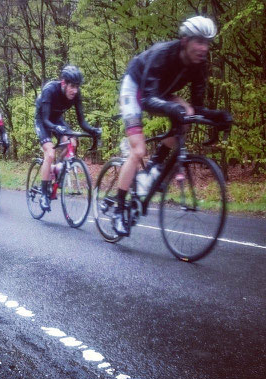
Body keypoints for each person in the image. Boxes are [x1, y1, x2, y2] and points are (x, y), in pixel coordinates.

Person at [113, 16, 232, 236]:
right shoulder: (162, 54)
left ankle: (154, 168)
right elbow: (147, 99)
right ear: (185, 41)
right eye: (199, 41)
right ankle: (119, 210)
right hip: (135, 87)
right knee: (138, 150)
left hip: (160, 92)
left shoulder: (199, 66)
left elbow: (198, 108)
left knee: (187, 113)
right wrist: (172, 109)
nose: (203, 48)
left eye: (207, 43)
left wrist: (218, 117)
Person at [34, 65, 102, 211]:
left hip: (57, 119)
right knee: (50, 153)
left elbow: (81, 121)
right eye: (72, 86)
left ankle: (56, 168)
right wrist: (55, 128)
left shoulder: (76, 95)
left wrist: (92, 130)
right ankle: (44, 195)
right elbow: (46, 120)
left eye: (77, 87)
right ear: (63, 83)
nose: (74, 90)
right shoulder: (50, 90)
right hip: (43, 120)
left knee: (72, 141)